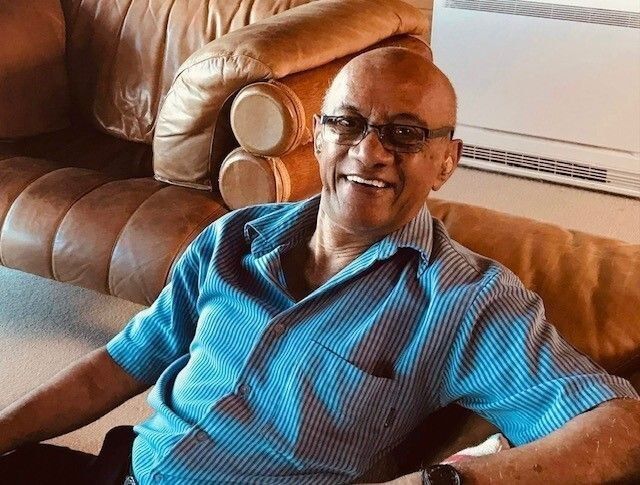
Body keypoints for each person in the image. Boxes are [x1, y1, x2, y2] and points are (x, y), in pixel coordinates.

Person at [1, 47, 639, 485]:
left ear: (447, 160)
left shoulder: (464, 301)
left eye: (406, 133)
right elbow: (116, 366)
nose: (370, 151)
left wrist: (447, 481)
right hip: (130, 467)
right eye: (348, 123)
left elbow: (622, 428)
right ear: (319, 135)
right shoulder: (235, 238)